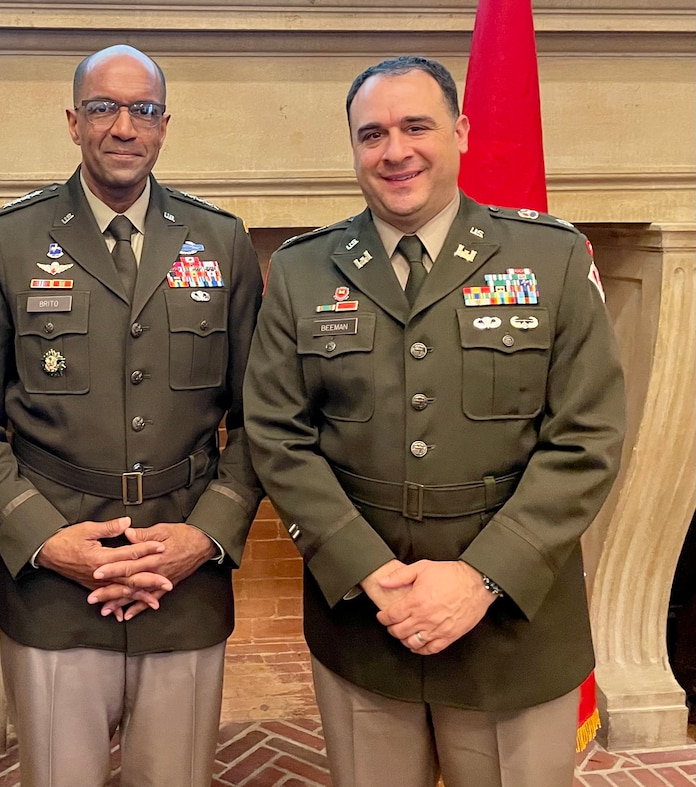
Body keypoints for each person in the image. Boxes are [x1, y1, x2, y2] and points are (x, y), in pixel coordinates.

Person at [243, 56, 626, 787]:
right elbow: (276, 433)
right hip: (366, 624)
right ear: (353, 148)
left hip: (513, 627)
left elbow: (587, 438)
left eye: (416, 126)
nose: (396, 151)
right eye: (372, 133)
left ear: (461, 130)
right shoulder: (302, 271)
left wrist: (481, 578)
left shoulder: (550, 259)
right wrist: (370, 570)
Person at [0, 44, 264, 786]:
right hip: (54, 587)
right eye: (103, 107)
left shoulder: (222, 241)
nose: (124, 126)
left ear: (164, 125)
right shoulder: (10, 240)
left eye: (143, 110)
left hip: (183, 579)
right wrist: (45, 541)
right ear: (73, 121)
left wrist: (204, 536)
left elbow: (261, 422)